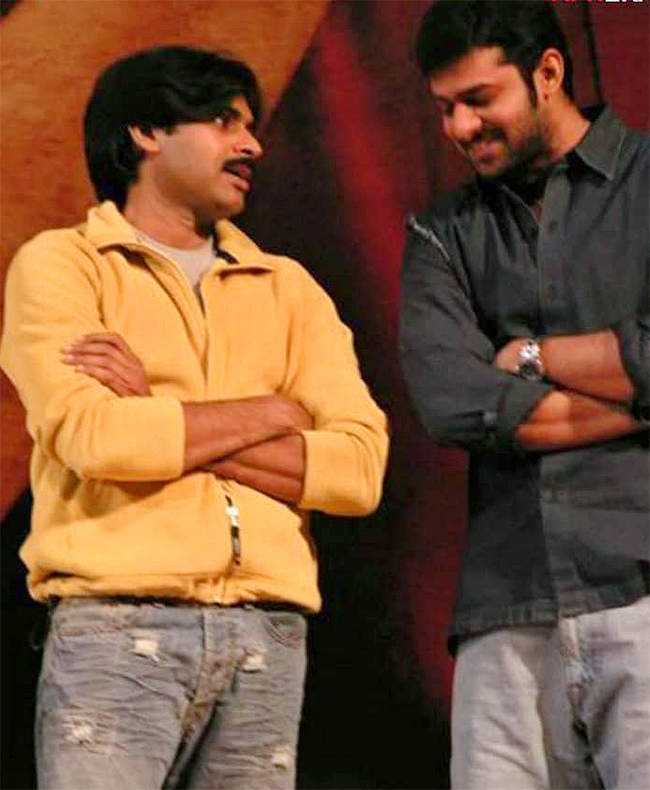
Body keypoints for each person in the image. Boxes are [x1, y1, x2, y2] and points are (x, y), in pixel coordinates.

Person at [1, 46, 388, 790]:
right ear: (146, 131)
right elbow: (95, 438)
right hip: (117, 628)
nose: (251, 145)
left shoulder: (289, 288)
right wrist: (272, 414)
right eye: (223, 122)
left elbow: (357, 471)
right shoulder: (62, 265)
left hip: (269, 638)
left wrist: (154, 413)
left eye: (250, 125)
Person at [399, 2, 648, 788]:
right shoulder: (440, 234)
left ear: (548, 72)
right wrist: (638, 399)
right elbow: (453, 403)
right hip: (505, 607)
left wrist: (534, 357)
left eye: (479, 99)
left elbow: (497, 394)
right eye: (445, 108)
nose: (459, 127)